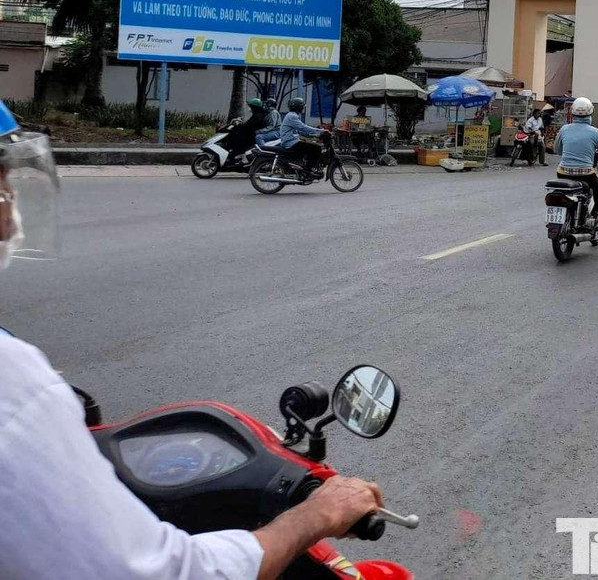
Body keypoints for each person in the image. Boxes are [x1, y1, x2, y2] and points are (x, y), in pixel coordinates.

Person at [0, 99, 384, 579]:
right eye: (2, 186)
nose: (12, 212)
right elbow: (155, 572)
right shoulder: (15, 383)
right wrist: (314, 517)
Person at [553, 96, 598, 229]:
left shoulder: (564, 129)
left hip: (562, 173)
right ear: (591, 113)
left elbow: (557, 150)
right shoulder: (595, 132)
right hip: (586, 175)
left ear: (572, 113)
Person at [278, 97, 328, 174]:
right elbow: (303, 128)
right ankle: (308, 169)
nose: (303, 109)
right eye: (302, 107)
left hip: (291, 140)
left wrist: (315, 135)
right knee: (317, 148)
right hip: (290, 142)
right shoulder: (292, 116)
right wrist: (322, 131)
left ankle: (304, 165)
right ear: (298, 107)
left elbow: (300, 131)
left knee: (311, 146)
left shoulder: (292, 115)